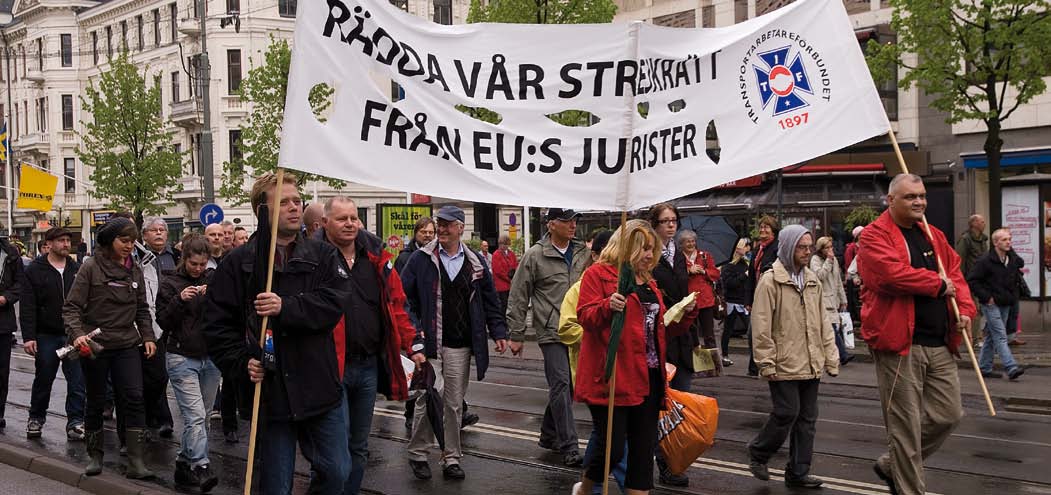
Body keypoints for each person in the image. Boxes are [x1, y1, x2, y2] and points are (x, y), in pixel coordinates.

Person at [200, 172, 352, 494]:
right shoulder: (239, 263)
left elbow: (334, 303)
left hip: (318, 384)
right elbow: (216, 325)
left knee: (338, 471)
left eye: (297, 201)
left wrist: (287, 307)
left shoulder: (322, 255)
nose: (295, 207)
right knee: (275, 485)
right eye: (284, 203)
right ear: (263, 211)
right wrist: (242, 362)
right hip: (270, 393)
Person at [858, 173, 975, 495]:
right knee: (905, 429)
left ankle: (892, 464)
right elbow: (889, 276)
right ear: (891, 200)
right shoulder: (873, 236)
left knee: (948, 415)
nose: (919, 202)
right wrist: (936, 284)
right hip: (899, 345)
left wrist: (964, 310)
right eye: (910, 197)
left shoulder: (933, 235)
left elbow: (955, 275)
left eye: (921, 195)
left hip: (940, 342)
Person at [572, 219, 698, 495]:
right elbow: (585, 316)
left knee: (643, 451)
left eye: (652, 249)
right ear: (626, 247)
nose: (650, 255)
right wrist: (607, 305)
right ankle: (587, 486)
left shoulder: (649, 283)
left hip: (649, 377)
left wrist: (685, 315)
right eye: (643, 248)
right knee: (613, 448)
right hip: (615, 376)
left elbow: (657, 328)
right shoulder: (599, 275)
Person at [319, 196, 424, 495]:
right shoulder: (315, 258)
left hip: (367, 367)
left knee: (358, 446)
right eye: (342, 219)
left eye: (354, 218)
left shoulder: (377, 258)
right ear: (326, 223)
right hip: (331, 367)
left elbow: (397, 305)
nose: (350, 223)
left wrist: (412, 345)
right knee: (335, 452)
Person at [400, 205, 509, 481]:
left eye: (448, 224)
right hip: (431, 343)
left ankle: (451, 458)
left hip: (460, 344)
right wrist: (414, 335)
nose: (442, 229)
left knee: (453, 403)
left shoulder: (475, 262)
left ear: (461, 227)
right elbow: (403, 300)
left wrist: (499, 332)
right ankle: (419, 453)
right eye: (440, 223)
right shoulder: (421, 259)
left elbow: (490, 300)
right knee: (430, 396)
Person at [63, 217, 156, 478]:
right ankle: (95, 456)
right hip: (96, 345)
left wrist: (147, 336)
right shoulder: (90, 267)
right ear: (109, 241)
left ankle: (136, 463)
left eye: (132, 241)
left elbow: (142, 308)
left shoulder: (135, 269)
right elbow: (71, 307)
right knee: (96, 400)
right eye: (123, 241)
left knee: (135, 398)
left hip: (127, 343)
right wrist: (78, 335)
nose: (129, 246)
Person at [747, 225, 838, 489]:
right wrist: (766, 361)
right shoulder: (770, 280)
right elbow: (761, 324)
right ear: (788, 247)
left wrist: (830, 357)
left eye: (809, 247)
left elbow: (823, 322)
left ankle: (798, 472)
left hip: (810, 360)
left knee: (808, 419)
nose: (807, 252)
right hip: (783, 360)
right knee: (787, 412)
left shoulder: (812, 279)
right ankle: (759, 453)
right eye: (801, 247)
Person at [506, 207, 589, 467]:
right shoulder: (535, 255)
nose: (572, 225)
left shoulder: (583, 253)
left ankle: (549, 433)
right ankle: (570, 445)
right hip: (551, 330)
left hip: (578, 329)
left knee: (570, 385)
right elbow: (519, 294)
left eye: (574, 220)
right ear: (551, 224)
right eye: (566, 221)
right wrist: (516, 333)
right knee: (562, 383)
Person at [556, 231, 625, 495]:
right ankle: (595, 486)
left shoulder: (627, 283)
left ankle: (592, 486)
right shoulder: (580, 288)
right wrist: (599, 334)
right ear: (595, 255)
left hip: (623, 374)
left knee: (611, 436)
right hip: (594, 371)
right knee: (612, 438)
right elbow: (566, 329)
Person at [155, 234, 220, 492]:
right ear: (185, 260)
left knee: (202, 419)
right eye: (194, 264)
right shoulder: (170, 282)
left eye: (203, 264)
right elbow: (162, 321)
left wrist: (212, 293)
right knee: (194, 416)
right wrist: (180, 300)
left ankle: (183, 464)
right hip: (181, 357)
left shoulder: (212, 278)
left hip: (210, 357)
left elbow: (224, 312)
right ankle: (200, 466)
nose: (199, 269)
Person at [646, 203, 693, 487]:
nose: (671, 226)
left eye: (674, 220)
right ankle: (664, 464)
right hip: (658, 336)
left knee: (680, 404)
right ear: (654, 225)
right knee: (661, 405)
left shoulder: (679, 255)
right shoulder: (648, 254)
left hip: (682, 336)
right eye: (664, 221)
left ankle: (673, 460)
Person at [22, 228, 84, 439]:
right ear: (48, 243)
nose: (66, 244)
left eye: (68, 240)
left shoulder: (76, 269)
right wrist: (29, 336)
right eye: (61, 240)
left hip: (72, 335)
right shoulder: (35, 270)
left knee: (77, 380)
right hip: (46, 334)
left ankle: (76, 422)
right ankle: (36, 418)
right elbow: (28, 305)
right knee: (44, 378)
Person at [135, 218, 176, 441]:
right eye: (154, 230)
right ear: (145, 235)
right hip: (151, 322)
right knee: (155, 374)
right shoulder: (139, 258)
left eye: (162, 230)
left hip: (171, 319)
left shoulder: (174, 257)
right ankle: (159, 418)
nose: (159, 233)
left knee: (163, 375)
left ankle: (160, 417)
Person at [966, 228, 1026, 380]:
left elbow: (1020, 263)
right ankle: (1011, 366)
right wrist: (987, 297)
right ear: (995, 242)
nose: (1008, 242)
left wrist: (1011, 252)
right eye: (1005, 240)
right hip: (991, 303)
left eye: (1010, 239)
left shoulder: (1010, 258)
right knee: (1000, 335)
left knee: (992, 336)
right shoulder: (985, 260)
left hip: (1006, 301)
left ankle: (984, 368)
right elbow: (972, 280)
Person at [747, 215, 780, 377]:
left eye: (766, 227)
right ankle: (755, 365)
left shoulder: (776, 248)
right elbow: (751, 276)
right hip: (756, 296)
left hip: (770, 296)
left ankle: (759, 366)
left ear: (773, 231)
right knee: (753, 333)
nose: (762, 230)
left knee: (759, 332)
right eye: (761, 227)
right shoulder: (758, 249)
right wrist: (748, 300)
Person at [810, 236, 852, 366]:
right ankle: (842, 355)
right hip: (822, 300)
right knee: (832, 329)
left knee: (832, 329)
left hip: (833, 300)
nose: (830, 250)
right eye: (827, 247)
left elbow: (838, 281)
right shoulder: (815, 260)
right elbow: (819, 276)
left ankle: (829, 356)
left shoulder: (834, 261)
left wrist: (843, 299)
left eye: (831, 247)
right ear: (821, 249)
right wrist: (828, 261)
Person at [678, 229, 720, 355]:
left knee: (709, 334)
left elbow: (716, 274)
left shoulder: (705, 256)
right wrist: (688, 271)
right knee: (691, 334)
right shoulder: (678, 258)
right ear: (682, 244)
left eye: (693, 241)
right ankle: (694, 364)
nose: (691, 244)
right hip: (688, 301)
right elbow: (676, 276)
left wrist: (704, 272)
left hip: (705, 300)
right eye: (687, 242)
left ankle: (714, 364)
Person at [955, 214, 988, 345]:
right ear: (974, 223)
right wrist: (960, 280)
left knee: (981, 308)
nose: (984, 224)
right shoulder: (965, 239)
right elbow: (959, 259)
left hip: (982, 280)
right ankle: (976, 338)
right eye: (982, 221)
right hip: (970, 280)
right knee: (973, 309)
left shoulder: (983, 240)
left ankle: (980, 337)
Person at [0, 236, 22, 430]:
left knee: (1, 372)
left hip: (2, 324)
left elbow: (20, 283)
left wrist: (6, 298)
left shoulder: (11, 254)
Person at [719, 239, 751, 369]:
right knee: (728, 330)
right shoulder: (728, 266)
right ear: (738, 249)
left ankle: (755, 359)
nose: (748, 249)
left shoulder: (746, 264)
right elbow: (730, 283)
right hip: (732, 301)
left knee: (751, 330)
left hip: (744, 301)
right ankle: (724, 355)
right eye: (745, 246)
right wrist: (744, 275)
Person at [491, 234, 518, 316]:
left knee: (511, 305)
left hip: (511, 284)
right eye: (502, 244)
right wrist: (508, 279)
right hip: (501, 286)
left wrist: (514, 277)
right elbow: (498, 271)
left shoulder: (511, 254)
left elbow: (515, 265)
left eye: (506, 244)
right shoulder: (496, 254)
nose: (503, 246)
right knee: (503, 305)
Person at [844, 226, 864, 323]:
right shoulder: (851, 248)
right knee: (853, 299)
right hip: (853, 277)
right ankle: (854, 317)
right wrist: (854, 276)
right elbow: (849, 264)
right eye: (861, 233)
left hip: (862, 277)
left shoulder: (865, 246)